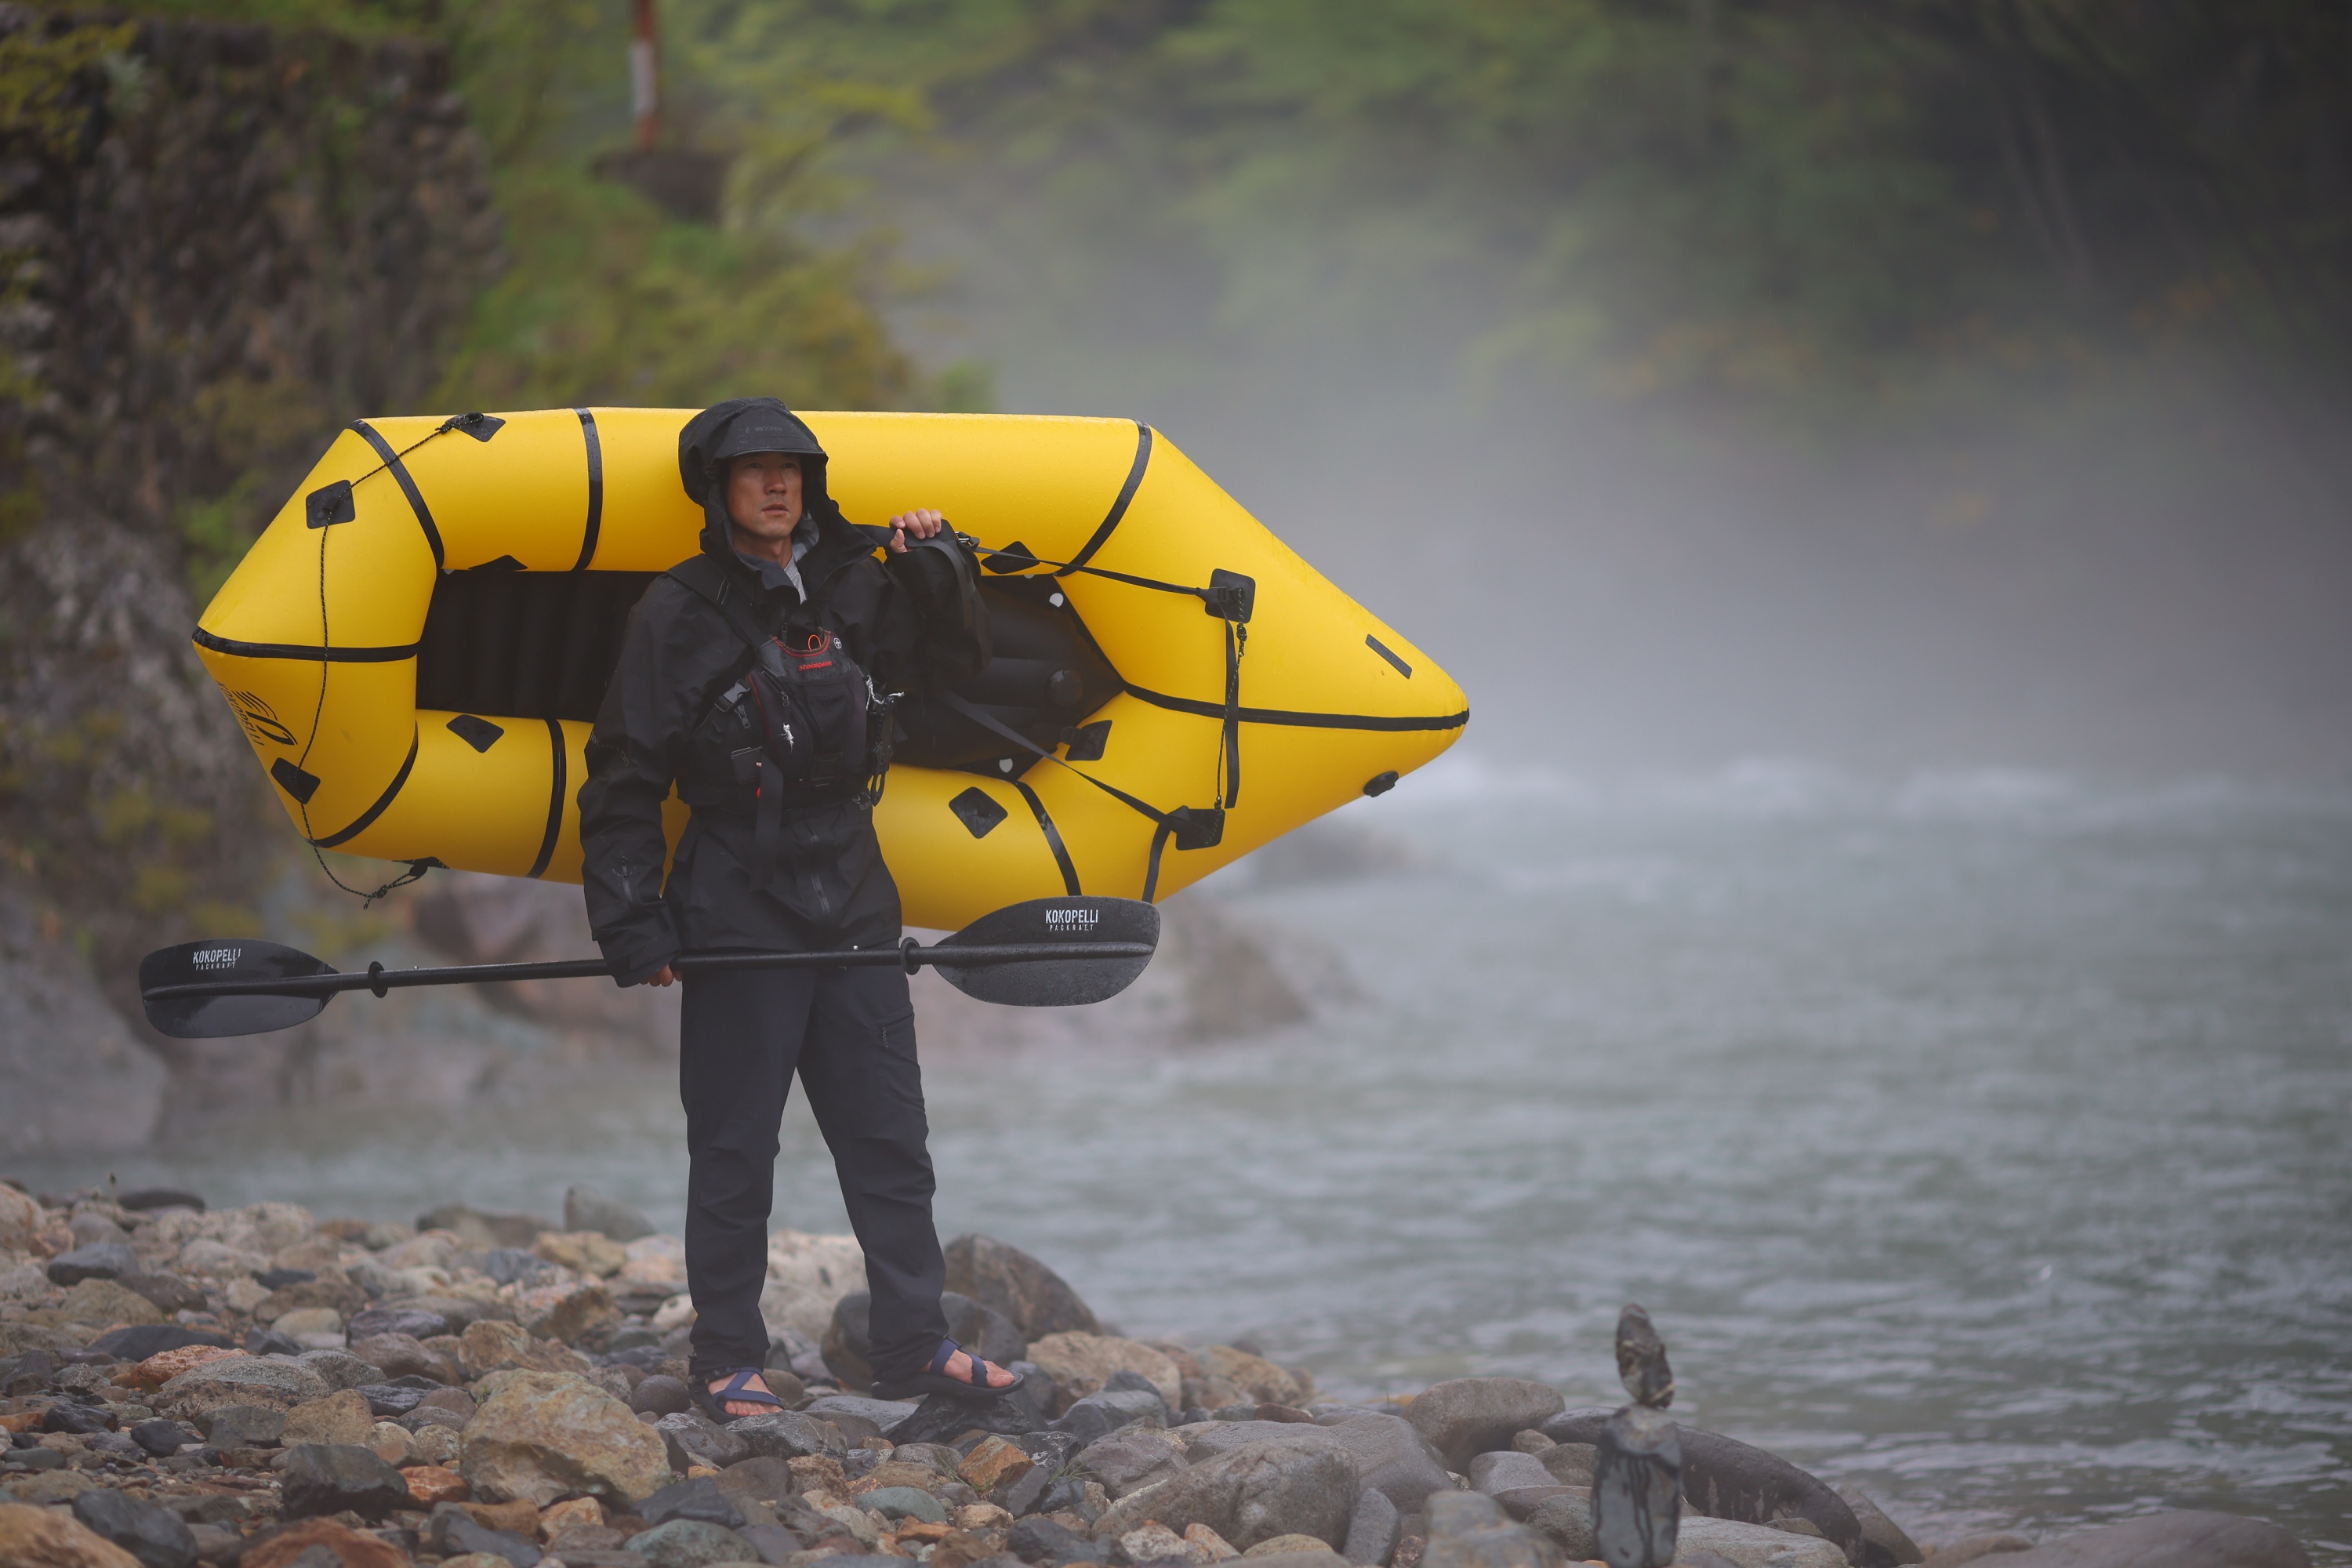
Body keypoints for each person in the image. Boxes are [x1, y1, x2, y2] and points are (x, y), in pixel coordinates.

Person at [578, 397, 1018, 1417]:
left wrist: (935, 568)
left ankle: (916, 1341)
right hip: (737, 900)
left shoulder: (858, 579)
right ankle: (727, 1357)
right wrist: (632, 920)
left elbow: (953, 666)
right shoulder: (676, 612)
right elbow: (624, 774)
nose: (776, 484)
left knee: (890, 1138)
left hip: (855, 894)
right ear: (719, 488)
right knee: (734, 1146)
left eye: (791, 467)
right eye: (753, 469)